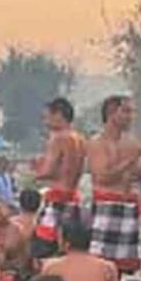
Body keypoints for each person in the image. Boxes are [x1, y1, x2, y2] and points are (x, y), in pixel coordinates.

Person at [86, 96, 141, 274]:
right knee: (99, 264)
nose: (131, 116)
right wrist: (130, 161)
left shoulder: (132, 142)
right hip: (106, 206)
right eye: (126, 111)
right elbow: (102, 176)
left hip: (128, 204)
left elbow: (139, 175)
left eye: (132, 112)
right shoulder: (97, 142)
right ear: (111, 113)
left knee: (122, 266)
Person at [31, 98, 87, 258]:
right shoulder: (80, 139)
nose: (45, 121)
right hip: (73, 196)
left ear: (58, 115)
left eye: (47, 116)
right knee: (67, 245)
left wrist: (37, 170)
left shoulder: (58, 137)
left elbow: (48, 171)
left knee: (44, 247)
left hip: (57, 197)